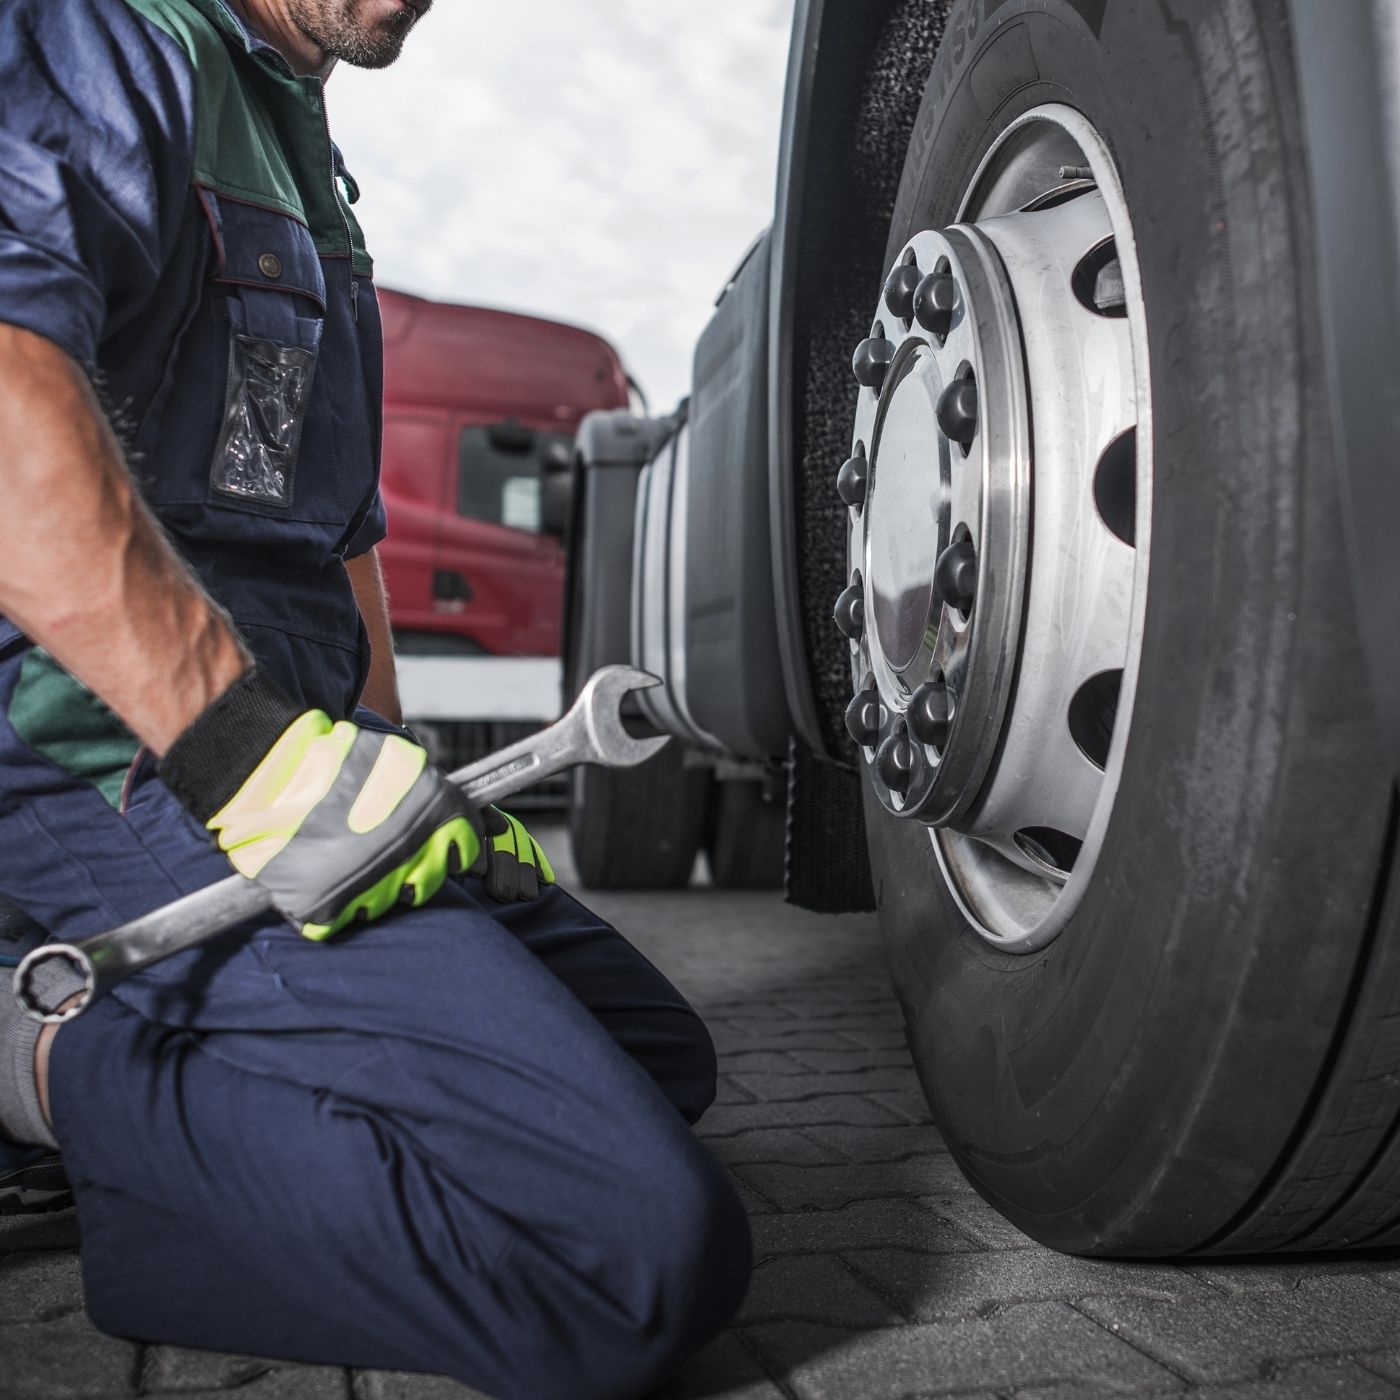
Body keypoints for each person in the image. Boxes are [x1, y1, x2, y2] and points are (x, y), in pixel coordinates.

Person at [0, 2, 752, 1396]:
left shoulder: (297, 138)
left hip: (280, 739)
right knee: (629, 1249)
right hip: (106, 745)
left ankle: (175, 1131)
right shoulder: (110, 34)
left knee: (656, 1059)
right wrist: (249, 763)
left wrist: (400, 772)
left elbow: (337, 536)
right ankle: (45, 1060)